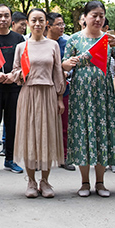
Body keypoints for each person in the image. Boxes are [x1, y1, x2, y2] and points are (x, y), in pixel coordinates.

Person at [63, 1, 115, 198]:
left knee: (102, 135)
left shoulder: (109, 39)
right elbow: (64, 66)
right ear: (84, 17)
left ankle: (100, 182)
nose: (98, 19)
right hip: (80, 94)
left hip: (103, 94)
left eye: (101, 15)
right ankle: (84, 182)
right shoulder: (74, 39)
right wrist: (67, 63)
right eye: (94, 15)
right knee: (82, 134)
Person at [11, 9, 66, 198]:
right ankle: (31, 181)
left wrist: (60, 98)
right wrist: (19, 74)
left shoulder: (53, 45)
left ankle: (45, 180)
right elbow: (15, 71)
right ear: (28, 22)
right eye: (33, 20)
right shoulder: (22, 46)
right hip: (28, 94)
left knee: (47, 135)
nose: (37, 24)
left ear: (46, 23)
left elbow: (58, 72)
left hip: (48, 93)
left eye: (41, 20)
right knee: (29, 137)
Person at [0, 4, 26, 175]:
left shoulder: (19, 39)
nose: (3, 19)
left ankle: (10, 159)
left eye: (6, 16)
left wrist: (13, 76)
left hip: (14, 88)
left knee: (12, 124)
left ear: (11, 20)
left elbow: (25, 64)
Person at [46, 12, 73, 172]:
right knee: (43, 125)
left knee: (64, 125)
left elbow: (72, 64)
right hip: (44, 89)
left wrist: (67, 72)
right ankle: (42, 157)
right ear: (49, 26)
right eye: (59, 24)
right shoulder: (41, 43)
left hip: (64, 89)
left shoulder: (67, 43)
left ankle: (64, 156)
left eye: (63, 24)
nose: (62, 27)